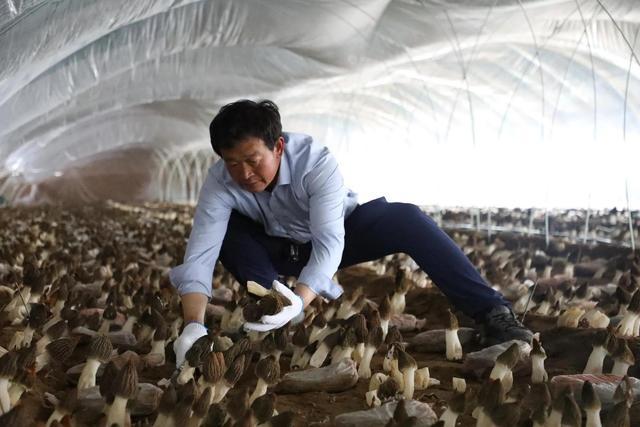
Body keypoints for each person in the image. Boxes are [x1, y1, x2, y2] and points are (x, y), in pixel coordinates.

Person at [170, 99, 533, 366]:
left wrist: (303, 298)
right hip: (276, 247)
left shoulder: (315, 163)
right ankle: (270, 305)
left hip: (338, 235)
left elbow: (329, 241)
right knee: (227, 229)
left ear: (278, 146)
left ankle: (493, 312)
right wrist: (193, 325)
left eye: (252, 160)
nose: (244, 173)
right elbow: (201, 252)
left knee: (405, 218)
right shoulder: (220, 182)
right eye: (232, 163)